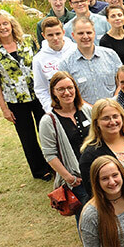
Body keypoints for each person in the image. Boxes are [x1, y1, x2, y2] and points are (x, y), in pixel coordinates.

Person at [39, 72, 92, 208]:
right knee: (86, 216)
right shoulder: (48, 121)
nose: (67, 92)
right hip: (77, 179)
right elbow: (49, 154)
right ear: (53, 93)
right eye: (61, 89)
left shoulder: (87, 110)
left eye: (70, 87)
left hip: (97, 171)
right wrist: (69, 177)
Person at [58, 16, 123, 106]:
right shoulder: (66, 64)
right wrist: (91, 109)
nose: (85, 36)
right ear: (73, 36)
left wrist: (113, 104)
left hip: (114, 110)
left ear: (94, 33)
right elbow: (69, 94)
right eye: (80, 33)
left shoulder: (111, 55)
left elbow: (122, 82)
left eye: (89, 32)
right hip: (85, 115)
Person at [33, 17, 77, 112]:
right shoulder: (38, 59)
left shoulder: (76, 50)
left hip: (81, 104)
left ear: (63, 32)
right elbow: (41, 88)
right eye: (50, 35)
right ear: (43, 35)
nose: (55, 38)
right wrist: (50, 109)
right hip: (58, 108)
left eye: (58, 33)